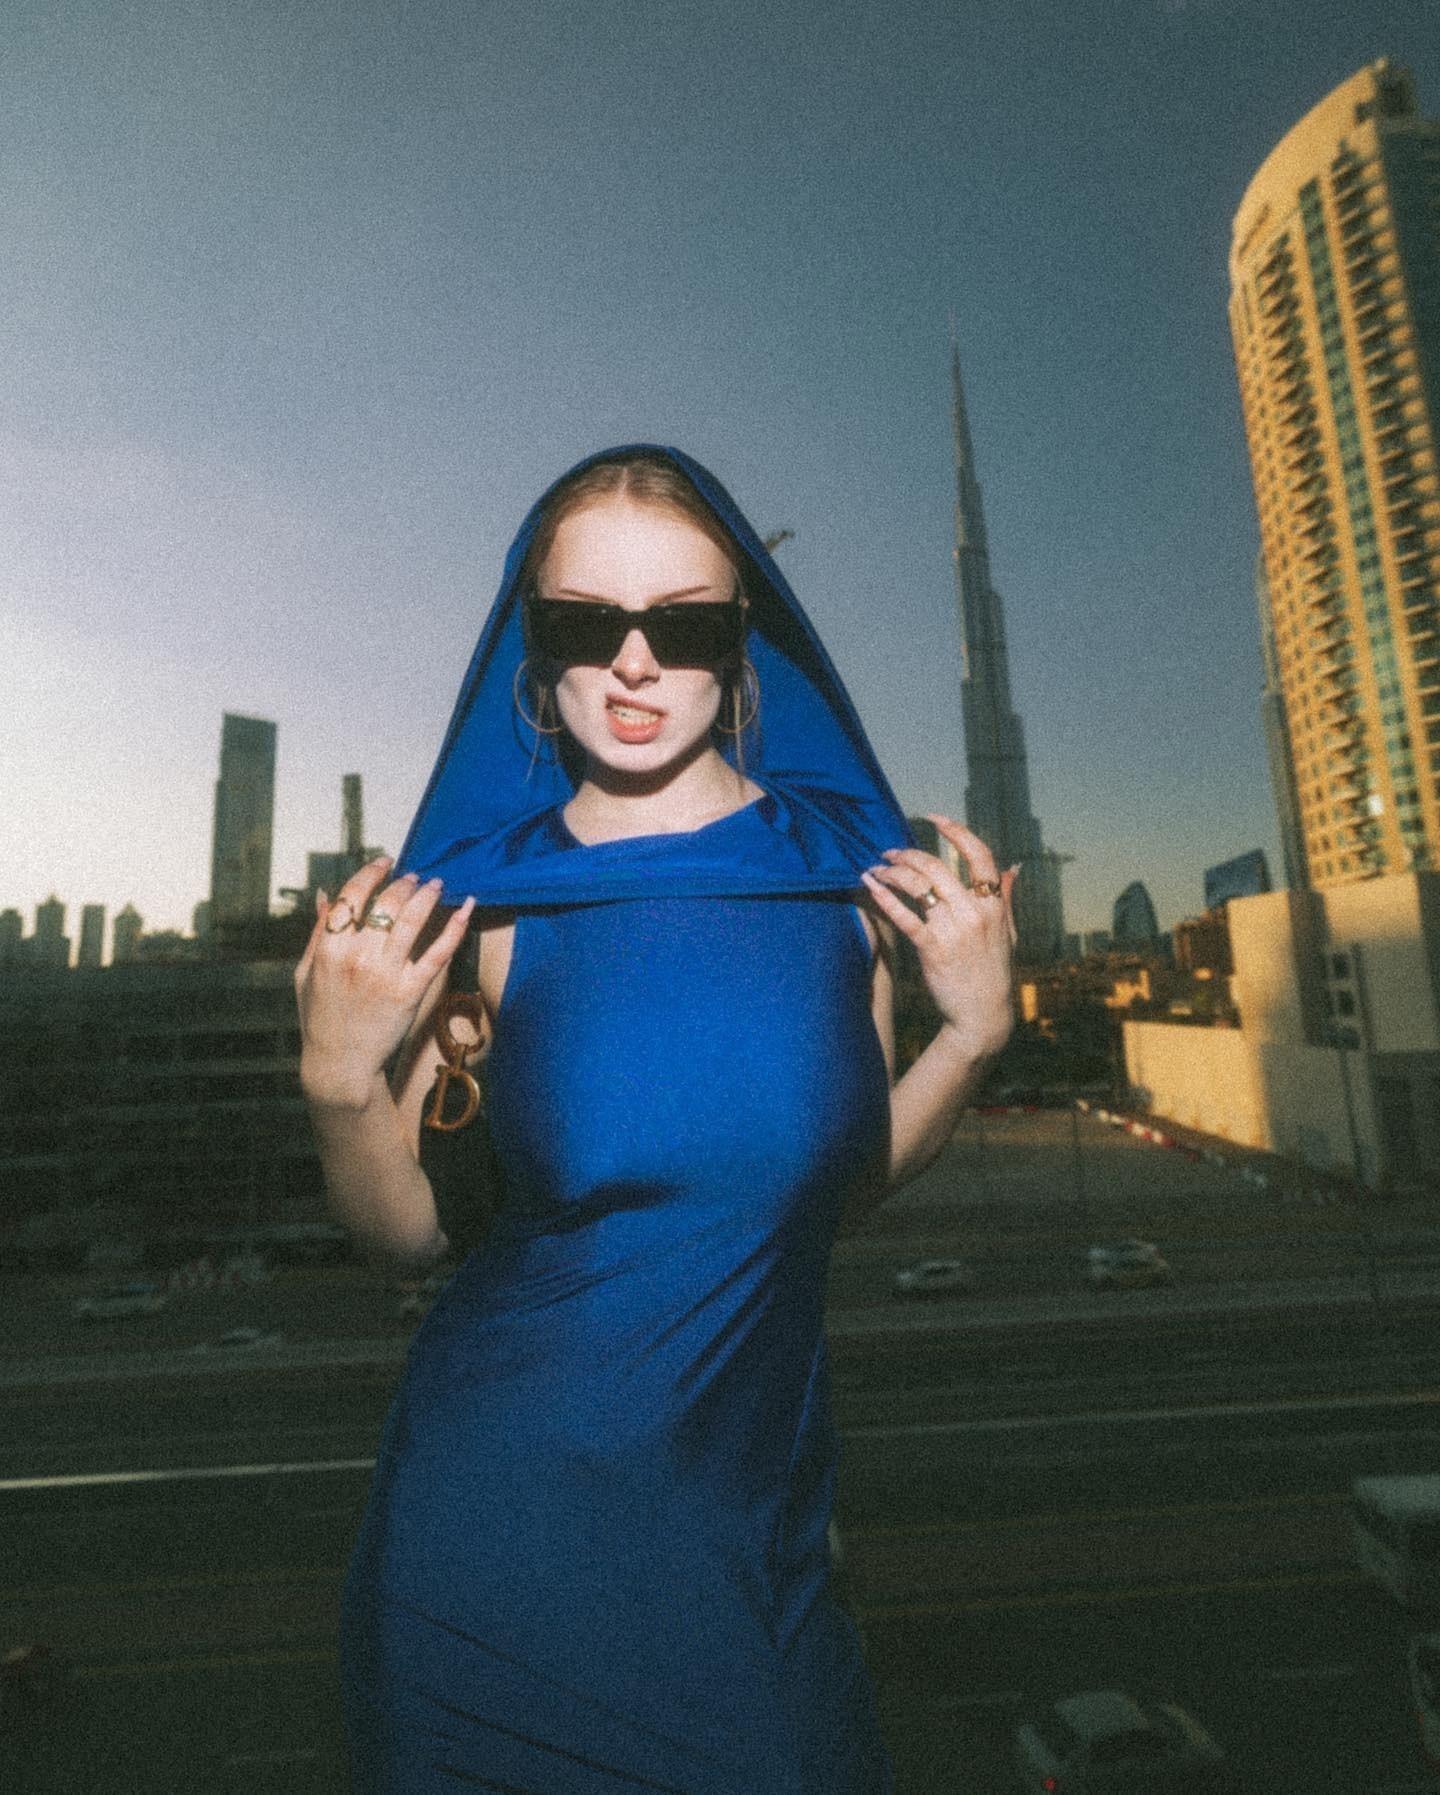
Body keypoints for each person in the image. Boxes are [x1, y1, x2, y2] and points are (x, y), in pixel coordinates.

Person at [295, 445, 1018, 1794]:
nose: (634, 663)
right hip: (490, 1552)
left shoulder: (844, 889)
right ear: (535, 644)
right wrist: (338, 1082)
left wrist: (974, 1037)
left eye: (682, 625)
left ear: (742, 645)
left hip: (755, 1546)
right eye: (587, 623)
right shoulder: (483, 906)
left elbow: (831, 1190)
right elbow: (407, 1240)